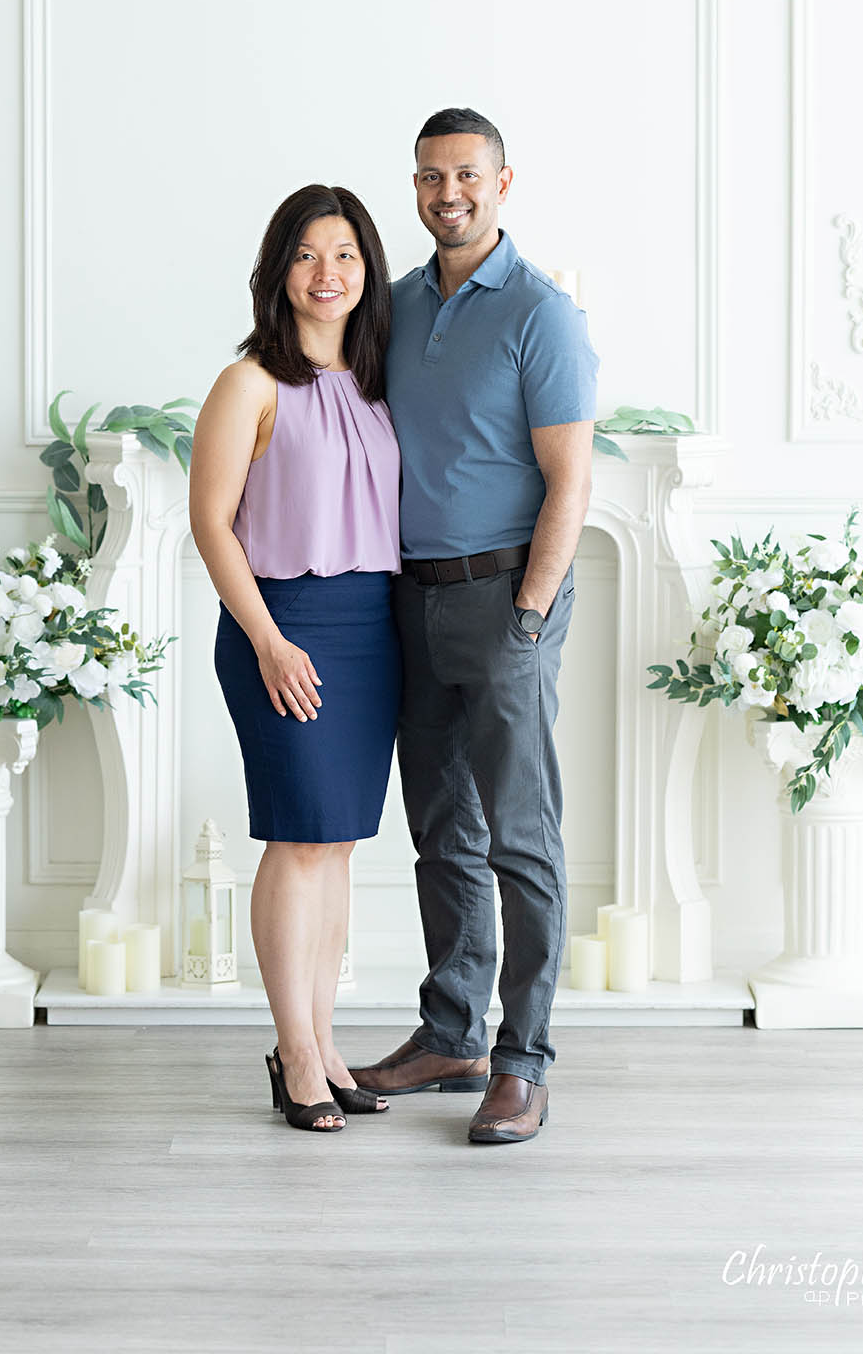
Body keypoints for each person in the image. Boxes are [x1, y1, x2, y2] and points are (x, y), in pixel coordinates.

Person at [351, 107, 598, 1145]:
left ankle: (523, 1060)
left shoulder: (541, 313)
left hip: (506, 598)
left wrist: (530, 611)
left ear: (502, 183)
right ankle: (450, 1032)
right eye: (426, 177)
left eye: (463, 175)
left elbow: (569, 479)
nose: (443, 193)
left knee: (519, 838)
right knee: (440, 831)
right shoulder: (397, 304)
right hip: (410, 598)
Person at [189, 184, 402, 1133]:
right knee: (297, 835)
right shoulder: (248, 383)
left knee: (340, 843)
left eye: (347, 253)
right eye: (309, 254)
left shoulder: (376, 379)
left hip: (372, 626)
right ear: (280, 271)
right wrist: (270, 639)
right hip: (284, 623)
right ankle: (295, 1054)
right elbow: (211, 523)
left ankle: (321, 1039)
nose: (329, 273)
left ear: (368, 270)